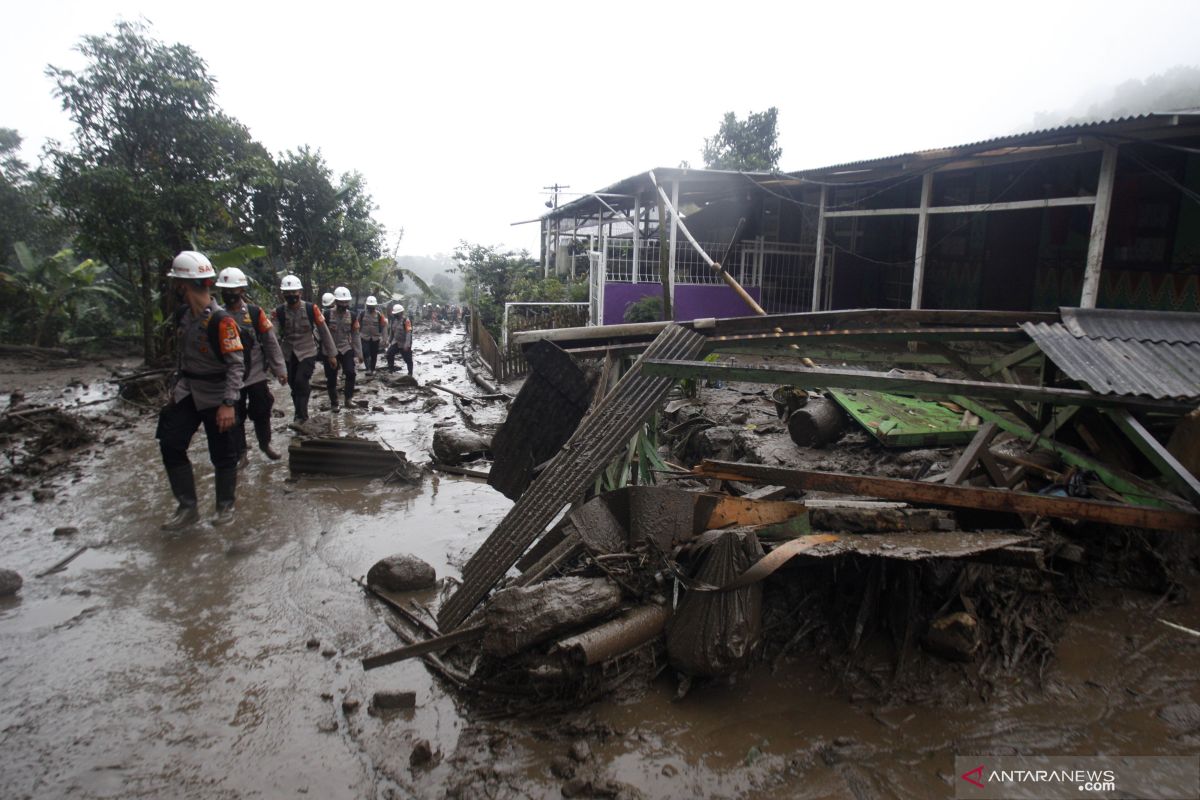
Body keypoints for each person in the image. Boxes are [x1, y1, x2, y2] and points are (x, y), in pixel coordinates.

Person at [158, 250, 244, 530]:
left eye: (176, 285)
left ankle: (224, 506)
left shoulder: (223, 322)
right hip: (188, 390)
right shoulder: (183, 315)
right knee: (170, 441)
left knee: (223, 453)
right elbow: (182, 356)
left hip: (217, 393)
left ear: (183, 285)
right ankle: (187, 507)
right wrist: (174, 389)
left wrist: (229, 403)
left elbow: (236, 366)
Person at [215, 267, 287, 464]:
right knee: (235, 416)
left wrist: (279, 369)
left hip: (256, 373)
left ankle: (265, 444)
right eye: (226, 290)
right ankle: (241, 453)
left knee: (262, 410)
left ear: (242, 291)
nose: (230, 294)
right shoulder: (217, 315)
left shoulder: (255, 313)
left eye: (234, 290)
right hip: (230, 377)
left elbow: (271, 342)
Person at [274, 275, 336, 423]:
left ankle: (302, 416)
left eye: (294, 292)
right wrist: (274, 362)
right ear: (283, 294)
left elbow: (324, 331)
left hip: (307, 351)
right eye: (287, 293)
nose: (291, 296)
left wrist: (331, 354)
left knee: (301, 381)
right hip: (288, 353)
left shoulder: (311, 308)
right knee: (293, 385)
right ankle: (299, 412)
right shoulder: (278, 312)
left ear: (300, 292)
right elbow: (273, 336)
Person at [323, 286, 362, 412]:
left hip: (345, 347)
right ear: (336, 301)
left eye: (346, 302)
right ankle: (334, 403)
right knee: (331, 377)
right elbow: (321, 334)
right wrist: (329, 354)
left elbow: (355, 335)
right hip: (330, 349)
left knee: (350, 372)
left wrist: (359, 353)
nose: (344, 304)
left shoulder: (353, 316)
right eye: (341, 302)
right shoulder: (327, 314)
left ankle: (348, 399)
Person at [358, 295, 387, 376]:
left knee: (374, 354)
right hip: (364, 336)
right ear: (367, 306)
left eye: (372, 306)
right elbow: (357, 325)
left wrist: (385, 339)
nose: (371, 308)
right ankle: (368, 369)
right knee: (365, 352)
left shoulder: (379, 315)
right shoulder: (362, 314)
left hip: (375, 338)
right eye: (369, 306)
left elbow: (384, 326)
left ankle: (373, 369)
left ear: (375, 306)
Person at [386, 304, 414, 375]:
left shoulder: (406, 321)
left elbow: (408, 333)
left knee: (408, 359)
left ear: (401, 313)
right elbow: (391, 332)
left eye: (396, 314)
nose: (395, 315)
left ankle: (410, 373)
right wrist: (389, 341)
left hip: (404, 343)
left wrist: (407, 345)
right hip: (396, 342)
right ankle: (391, 369)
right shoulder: (393, 321)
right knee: (389, 354)